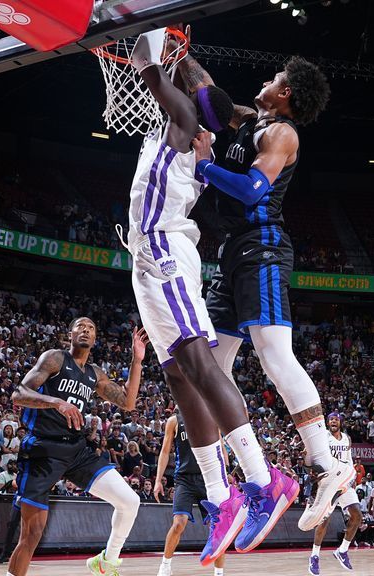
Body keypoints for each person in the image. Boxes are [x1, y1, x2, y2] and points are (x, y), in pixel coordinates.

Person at [122, 27, 295, 565]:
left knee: (198, 361)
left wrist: (142, 45)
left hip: (166, 249)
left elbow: (162, 84)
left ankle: (266, 481)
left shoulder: (185, 125)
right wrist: (180, 52)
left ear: (196, 110)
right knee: (178, 373)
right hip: (147, 258)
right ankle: (222, 499)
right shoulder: (194, 126)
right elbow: (198, 85)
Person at [179, 39, 352, 533]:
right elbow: (210, 97)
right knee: (208, 369)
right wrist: (179, 52)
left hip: (263, 248)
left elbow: (255, 188)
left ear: (285, 92)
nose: (265, 81)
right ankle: (255, 483)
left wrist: (205, 164)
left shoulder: (281, 133)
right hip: (233, 251)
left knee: (275, 355)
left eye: (273, 78)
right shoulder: (247, 121)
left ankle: (326, 464)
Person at [7, 319, 146, 576]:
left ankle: (107, 561)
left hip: (76, 449)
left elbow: (128, 402)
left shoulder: (94, 374)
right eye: (80, 326)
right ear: (70, 334)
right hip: (43, 448)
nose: (86, 330)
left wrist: (136, 361)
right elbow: (19, 394)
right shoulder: (55, 359)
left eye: (92, 328)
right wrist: (56, 402)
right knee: (31, 534)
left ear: (95, 339)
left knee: (130, 501)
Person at [153, 410, 229, 576]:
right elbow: (165, 452)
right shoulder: (174, 421)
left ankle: (219, 573)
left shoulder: (211, 418)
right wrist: (158, 480)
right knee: (179, 523)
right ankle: (165, 566)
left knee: (217, 527)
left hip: (209, 478)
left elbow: (221, 449)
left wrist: (226, 473)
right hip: (184, 479)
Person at [308, 413, 362, 575]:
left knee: (357, 515)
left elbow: (349, 459)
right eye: (331, 419)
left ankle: (342, 550)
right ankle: (314, 556)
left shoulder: (346, 438)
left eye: (336, 419)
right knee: (324, 521)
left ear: (340, 422)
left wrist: (352, 476)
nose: (333, 421)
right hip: (329, 482)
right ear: (327, 422)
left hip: (344, 480)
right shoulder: (323, 437)